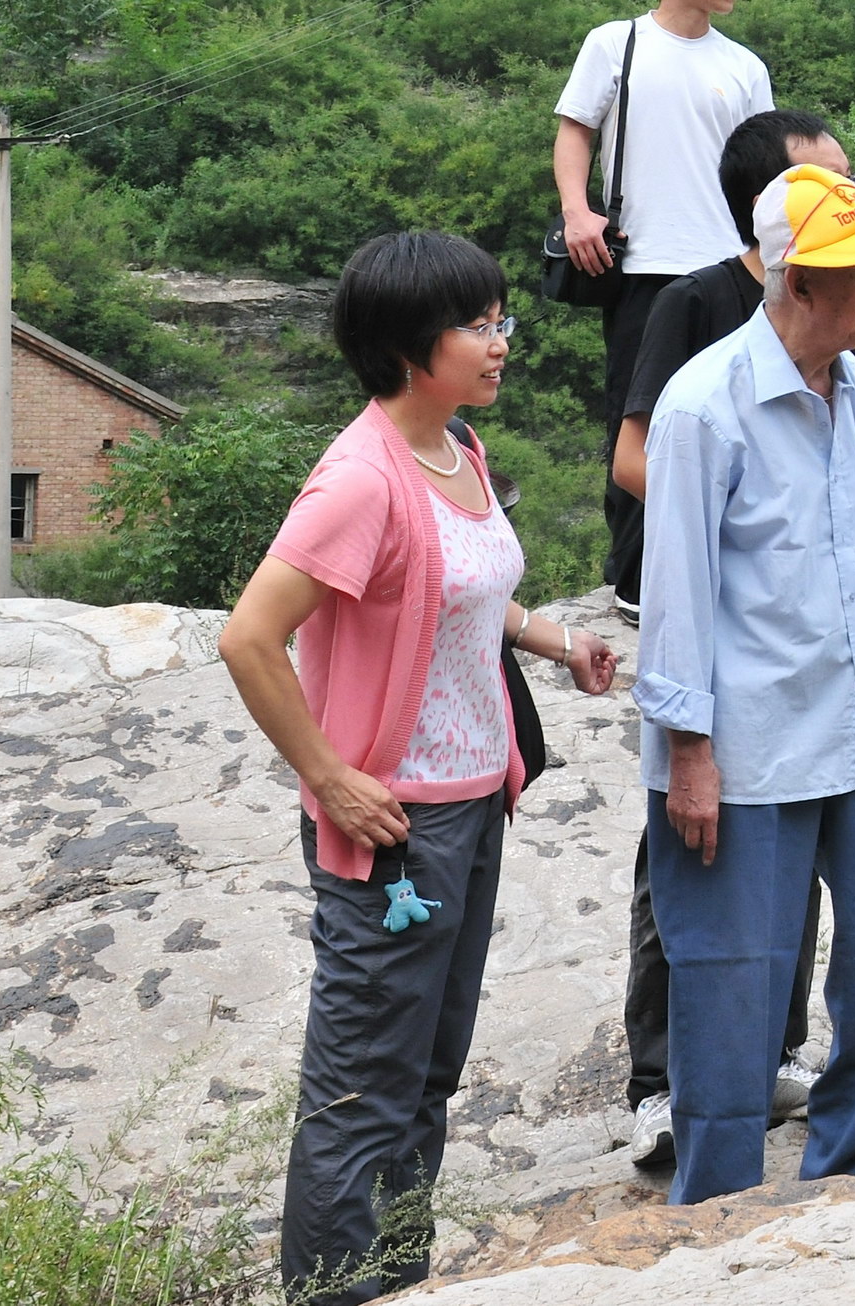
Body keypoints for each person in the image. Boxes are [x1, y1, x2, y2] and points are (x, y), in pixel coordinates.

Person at [219, 232, 620, 1304]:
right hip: (393, 828)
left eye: (501, 319)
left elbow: (467, 595)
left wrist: (555, 637)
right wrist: (332, 777)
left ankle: (398, 1281)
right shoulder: (360, 479)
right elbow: (249, 638)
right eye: (478, 325)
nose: (501, 341)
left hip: (474, 804)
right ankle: (333, 1291)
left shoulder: (459, 449)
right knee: (361, 1094)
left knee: (425, 1079)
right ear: (409, 345)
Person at [605, 107, 855, 1170]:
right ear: (795, 284)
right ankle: (718, 1200)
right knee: (731, 978)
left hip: (851, 713)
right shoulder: (709, 407)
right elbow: (682, 587)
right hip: (742, 737)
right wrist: (687, 750)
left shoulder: (846, 388)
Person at [552, 0, 773, 627]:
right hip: (644, 265)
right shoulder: (615, 44)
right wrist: (578, 211)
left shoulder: (744, 68)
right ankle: (636, 579)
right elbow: (574, 131)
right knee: (637, 419)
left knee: (729, 421)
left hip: (729, 271)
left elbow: (764, 171)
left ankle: (721, 561)